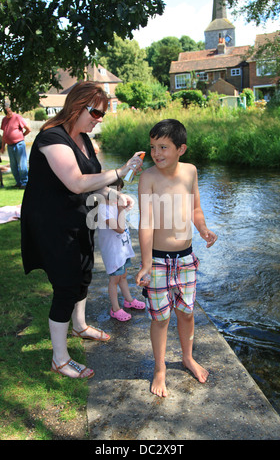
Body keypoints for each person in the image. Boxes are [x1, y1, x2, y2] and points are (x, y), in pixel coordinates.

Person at [21, 81, 144, 379]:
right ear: (77, 106)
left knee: (84, 274)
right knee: (65, 286)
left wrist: (115, 196)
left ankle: (79, 325)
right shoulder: (52, 138)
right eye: (95, 112)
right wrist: (120, 171)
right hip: (52, 224)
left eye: (102, 114)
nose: (99, 118)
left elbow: (94, 183)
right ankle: (60, 359)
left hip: (79, 218)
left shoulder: (85, 140)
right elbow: (76, 182)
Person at [136, 119, 217, 397]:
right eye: (153, 147)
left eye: (163, 147)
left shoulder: (190, 172)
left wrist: (203, 229)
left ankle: (187, 357)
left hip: (185, 258)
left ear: (181, 148)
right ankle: (160, 369)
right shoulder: (148, 178)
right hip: (158, 260)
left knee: (186, 312)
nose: (157, 153)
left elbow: (195, 207)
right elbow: (146, 223)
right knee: (160, 318)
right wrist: (146, 263)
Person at [98, 177, 145, 322]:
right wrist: (120, 208)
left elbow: (130, 206)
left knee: (123, 275)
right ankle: (115, 308)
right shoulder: (102, 209)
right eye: (116, 191)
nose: (119, 194)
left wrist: (126, 203)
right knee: (114, 279)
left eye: (120, 191)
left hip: (122, 249)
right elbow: (119, 228)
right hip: (113, 252)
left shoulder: (114, 204)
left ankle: (128, 300)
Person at [1, 104, 31, 188]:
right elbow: (4, 134)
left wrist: (22, 136)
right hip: (10, 146)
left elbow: (28, 129)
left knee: (22, 165)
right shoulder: (4, 120)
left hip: (19, 144)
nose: (9, 112)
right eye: (7, 111)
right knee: (13, 166)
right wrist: (3, 146)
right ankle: (18, 182)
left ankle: (24, 182)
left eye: (10, 110)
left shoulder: (17, 117)